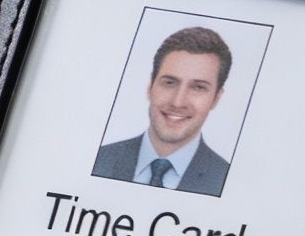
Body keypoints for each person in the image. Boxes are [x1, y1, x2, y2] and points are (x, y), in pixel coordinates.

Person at [94, 24, 233, 196]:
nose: (178, 101)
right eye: (169, 82)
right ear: (150, 86)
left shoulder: (228, 182)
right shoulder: (99, 160)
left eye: (198, 87)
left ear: (216, 98)